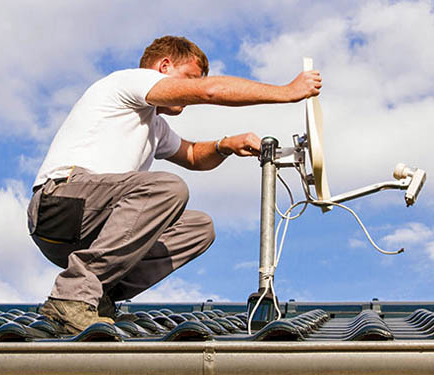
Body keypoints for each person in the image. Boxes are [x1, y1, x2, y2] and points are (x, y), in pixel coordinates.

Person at [27, 35, 322, 334]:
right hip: (60, 203)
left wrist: (226, 145)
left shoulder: (155, 126)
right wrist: (287, 92)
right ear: (164, 66)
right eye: (189, 79)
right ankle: (71, 295)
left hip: (88, 231)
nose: (189, 92)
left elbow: (193, 155)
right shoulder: (131, 82)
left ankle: (97, 295)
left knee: (198, 227)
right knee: (167, 189)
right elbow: (209, 92)